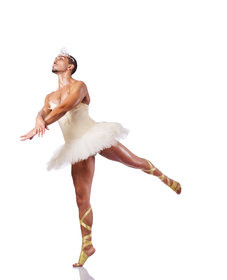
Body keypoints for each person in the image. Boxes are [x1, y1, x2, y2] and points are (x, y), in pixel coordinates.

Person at [20, 49, 182, 267]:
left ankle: (166, 179)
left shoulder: (79, 86)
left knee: (133, 161)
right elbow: (43, 111)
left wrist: (39, 124)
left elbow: (64, 108)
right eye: (56, 57)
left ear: (70, 67)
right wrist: (37, 117)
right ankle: (87, 244)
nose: (56, 59)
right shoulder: (48, 97)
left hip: (92, 135)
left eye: (62, 58)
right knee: (81, 198)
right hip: (75, 146)